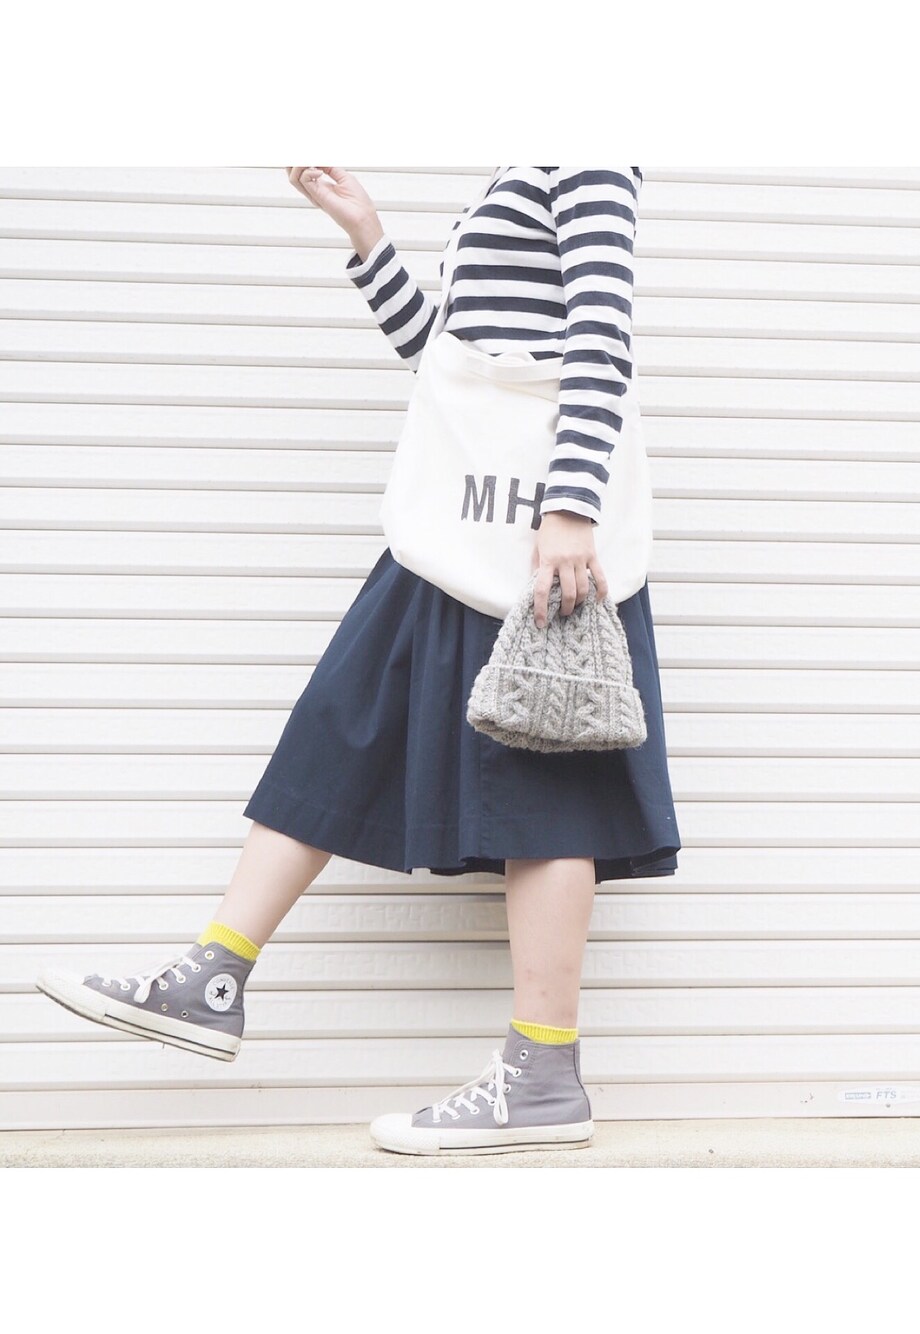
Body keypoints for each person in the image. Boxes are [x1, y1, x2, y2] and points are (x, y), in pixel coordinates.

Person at [35, 165, 682, 1156]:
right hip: (462, 527)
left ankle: (544, 1074)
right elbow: (451, 368)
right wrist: (368, 239)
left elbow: (601, 332)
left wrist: (569, 508)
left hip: (529, 538)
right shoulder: (516, 162)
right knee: (339, 724)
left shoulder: (581, 148)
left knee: (547, 788)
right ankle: (215, 974)